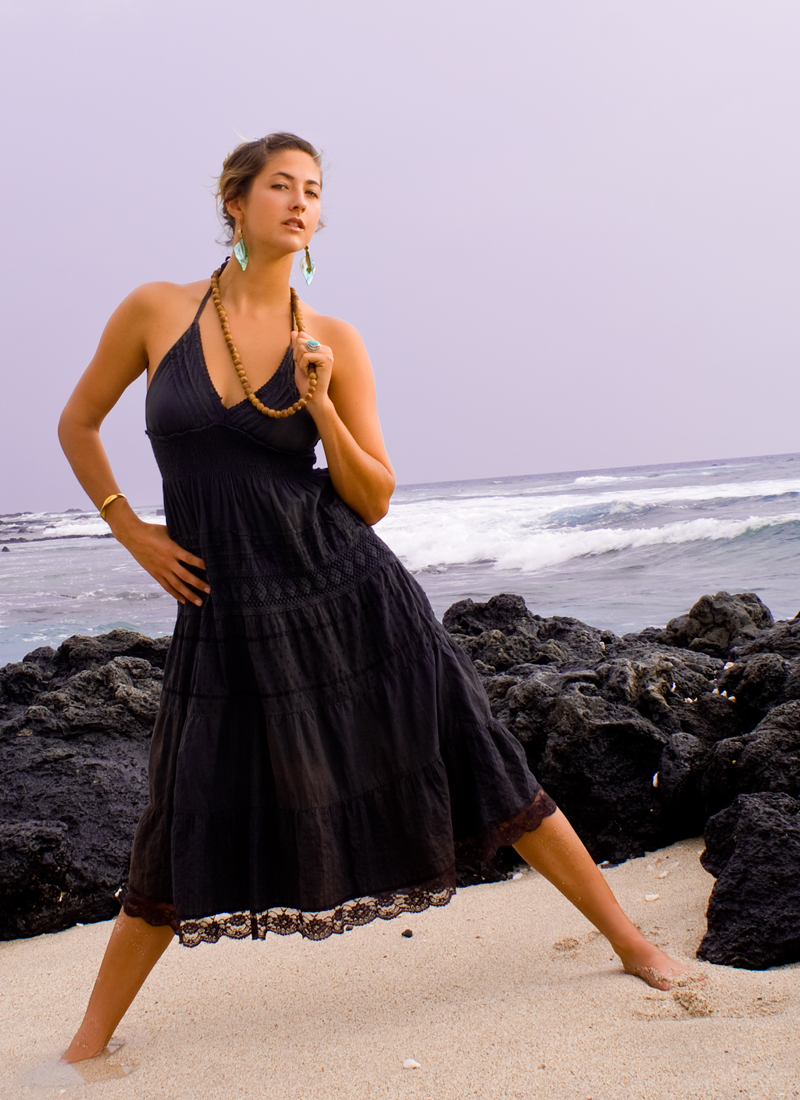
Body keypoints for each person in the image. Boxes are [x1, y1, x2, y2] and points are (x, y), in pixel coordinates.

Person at [57, 132, 694, 1065]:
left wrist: (319, 402)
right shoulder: (155, 311)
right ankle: (87, 1040)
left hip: (350, 595)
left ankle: (634, 943)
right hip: (227, 614)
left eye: (314, 190)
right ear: (234, 201)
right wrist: (128, 527)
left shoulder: (335, 339)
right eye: (281, 185)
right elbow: (77, 422)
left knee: (482, 762)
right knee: (182, 809)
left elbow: (373, 496)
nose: (301, 202)